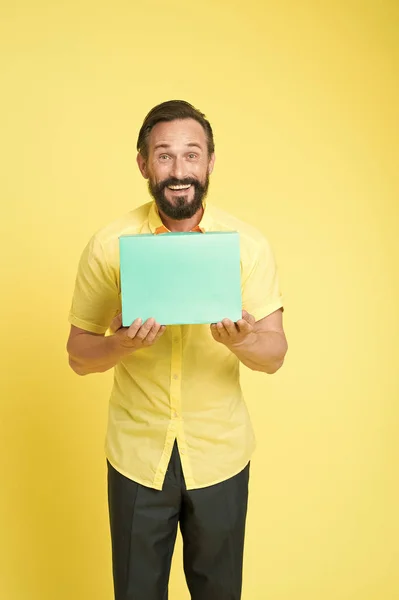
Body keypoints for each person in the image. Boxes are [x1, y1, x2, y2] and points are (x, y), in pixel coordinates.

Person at [66, 100, 288, 600]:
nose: (179, 170)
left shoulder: (247, 246)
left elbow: (274, 355)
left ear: (210, 162)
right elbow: (78, 354)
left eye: (192, 155)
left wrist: (246, 340)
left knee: (220, 593)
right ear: (143, 164)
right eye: (164, 156)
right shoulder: (109, 245)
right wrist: (120, 344)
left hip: (220, 454)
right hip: (137, 455)